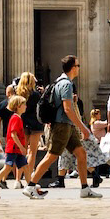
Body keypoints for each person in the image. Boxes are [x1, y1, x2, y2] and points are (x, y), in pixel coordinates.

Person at [27, 55, 102, 199]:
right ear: (73, 68)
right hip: (62, 125)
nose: (79, 68)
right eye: (78, 66)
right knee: (52, 156)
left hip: (66, 125)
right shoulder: (66, 84)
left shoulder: (59, 82)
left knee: (81, 153)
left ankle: (85, 188)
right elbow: (68, 109)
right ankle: (31, 185)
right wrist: (83, 127)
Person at [0, 88, 32, 194]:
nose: (26, 106)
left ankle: (31, 188)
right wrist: (22, 147)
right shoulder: (16, 118)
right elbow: (13, 134)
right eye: (24, 104)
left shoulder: (17, 117)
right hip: (14, 148)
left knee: (25, 167)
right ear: (18, 106)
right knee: (7, 168)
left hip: (16, 149)